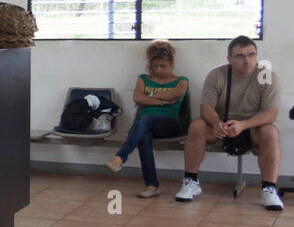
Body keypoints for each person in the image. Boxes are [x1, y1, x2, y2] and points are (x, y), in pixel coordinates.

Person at [175, 36, 283, 210]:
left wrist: (243, 125)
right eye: (240, 56)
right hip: (222, 127)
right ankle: (191, 182)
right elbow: (206, 108)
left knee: (271, 132)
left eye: (251, 55)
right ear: (229, 59)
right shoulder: (217, 75)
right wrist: (217, 123)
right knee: (197, 126)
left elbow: (271, 114)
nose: (247, 61)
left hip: (252, 127)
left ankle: (269, 190)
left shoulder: (266, 76)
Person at [105, 40, 189, 197]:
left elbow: (176, 94)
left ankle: (120, 157)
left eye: (163, 66)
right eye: (155, 66)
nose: (158, 69)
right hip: (146, 124)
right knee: (144, 133)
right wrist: (163, 101)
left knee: (146, 119)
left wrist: (149, 96)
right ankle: (151, 185)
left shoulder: (181, 80)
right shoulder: (143, 78)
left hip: (169, 124)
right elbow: (137, 98)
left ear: (171, 63)